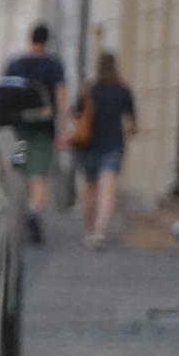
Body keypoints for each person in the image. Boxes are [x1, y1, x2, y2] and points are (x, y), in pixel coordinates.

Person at [2, 25, 67, 244]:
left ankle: (19, 211)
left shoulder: (15, 64)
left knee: (19, 171)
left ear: (30, 39)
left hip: (17, 126)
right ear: (47, 41)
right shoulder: (54, 66)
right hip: (43, 127)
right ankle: (35, 212)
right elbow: (61, 96)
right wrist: (63, 128)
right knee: (40, 174)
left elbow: (5, 93)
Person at [74, 51, 137, 249]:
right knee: (108, 190)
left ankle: (89, 230)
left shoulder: (89, 90)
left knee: (90, 189)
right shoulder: (123, 91)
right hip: (114, 144)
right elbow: (133, 123)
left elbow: (76, 114)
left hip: (90, 145)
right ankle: (101, 232)